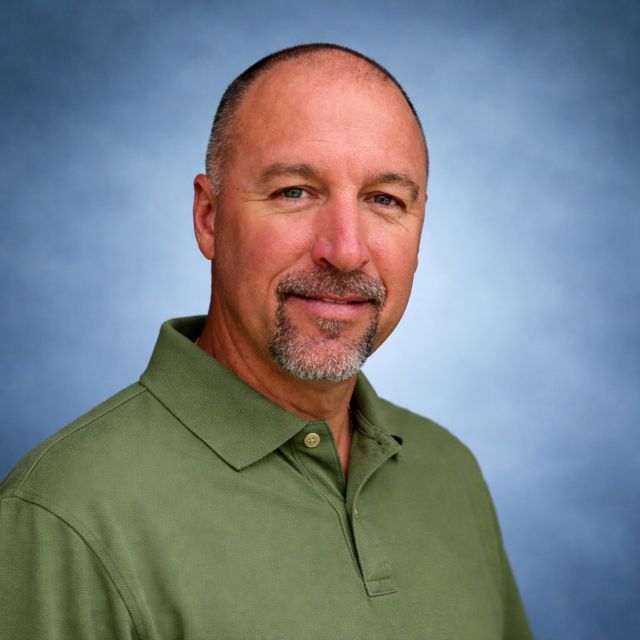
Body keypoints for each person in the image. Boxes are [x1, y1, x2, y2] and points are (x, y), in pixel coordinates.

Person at [0, 44, 534, 639]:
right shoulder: (63, 513)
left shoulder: (451, 473)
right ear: (209, 217)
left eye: (385, 199)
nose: (346, 249)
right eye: (295, 192)